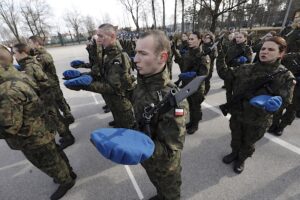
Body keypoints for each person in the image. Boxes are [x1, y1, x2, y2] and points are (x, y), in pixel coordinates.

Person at [0, 45, 76, 200]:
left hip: (31, 137)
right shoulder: (19, 75)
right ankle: (68, 172)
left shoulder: (6, 89)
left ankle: (66, 180)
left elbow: (9, 127)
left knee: (48, 161)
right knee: (55, 154)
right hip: (41, 126)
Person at [216, 36, 295, 174]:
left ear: (280, 54)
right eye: (263, 48)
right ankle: (234, 153)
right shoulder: (246, 68)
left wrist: (275, 105)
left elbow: (286, 101)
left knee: (248, 142)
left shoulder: (285, 76)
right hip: (238, 115)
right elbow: (225, 74)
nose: (265, 52)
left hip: (259, 120)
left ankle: (241, 159)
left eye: (271, 49)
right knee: (236, 138)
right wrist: (220, 55)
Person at [133, 30, 188, 200]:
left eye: (143, 53)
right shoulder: (142, 84)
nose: (135, 59)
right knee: (157, 185)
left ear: (162, 57)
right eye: (136, 52)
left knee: (170, 194)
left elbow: (171, 149)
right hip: (148, 161)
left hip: (165, 168)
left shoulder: (173, 100)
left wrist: (136, 147)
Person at [67, 23, 136, 128]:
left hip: (121, 104)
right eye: (97, 36)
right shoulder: (107, 54)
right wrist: (82, 75)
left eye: (101, 36)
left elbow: (112, 87)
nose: (98, 39)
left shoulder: (119, 58)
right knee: (119, 124)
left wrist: (86, 85)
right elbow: (102, 74)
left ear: (112, 36)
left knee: (128, 131)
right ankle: (118, 122)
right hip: (113, 102)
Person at [28, 36, 75, 149]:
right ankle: (67, 119)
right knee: (57, 105)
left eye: (30, 42)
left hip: (51, 85)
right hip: (50, 84)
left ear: (36, 43)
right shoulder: (37, 56)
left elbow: (37, 69)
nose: (29, 45)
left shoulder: (42, 56)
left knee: (57, 105)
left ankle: (67, 118)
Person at [173, 31, 210, 134]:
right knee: (190, 104)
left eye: (192, 39)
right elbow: (181, 63)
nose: (189, 41)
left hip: (196, 86)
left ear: (199, 40)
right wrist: (174, 50)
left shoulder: (203, 56)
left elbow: (204, 74)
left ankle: (195, 125)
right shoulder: (188, 53)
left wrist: (191, 74)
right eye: (189, 39)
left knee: (195, 106)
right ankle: (192, 122)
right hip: (186, 84)